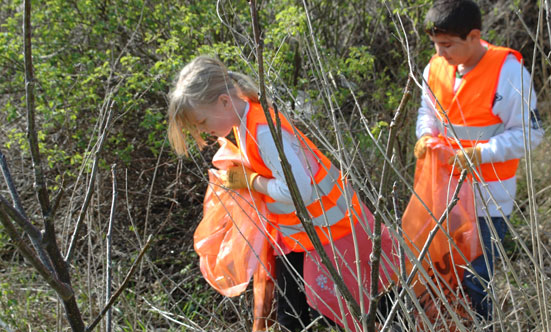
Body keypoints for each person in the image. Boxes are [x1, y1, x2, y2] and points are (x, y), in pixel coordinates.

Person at [167, 56, 392, 331]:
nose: (202, 131)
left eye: (201, 121)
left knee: (367, 305)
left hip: (334, 231)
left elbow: (299, 190)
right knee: (291, 316)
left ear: (224, 102)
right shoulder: (244, 121)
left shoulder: (263, 131)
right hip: (300, 235)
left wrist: (250, 182)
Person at [414, 0, 544, 322]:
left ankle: (483, 325)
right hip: (442, 193)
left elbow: (530, 134)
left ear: (474, 36)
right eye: (436, 45)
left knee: (476, 278)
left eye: (447, 45)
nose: (441, 53)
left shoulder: (509, 73)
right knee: (442, 276)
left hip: (489, 199)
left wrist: (480, 154)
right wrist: (425, 135)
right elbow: (427, 113)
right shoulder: (434, 68)